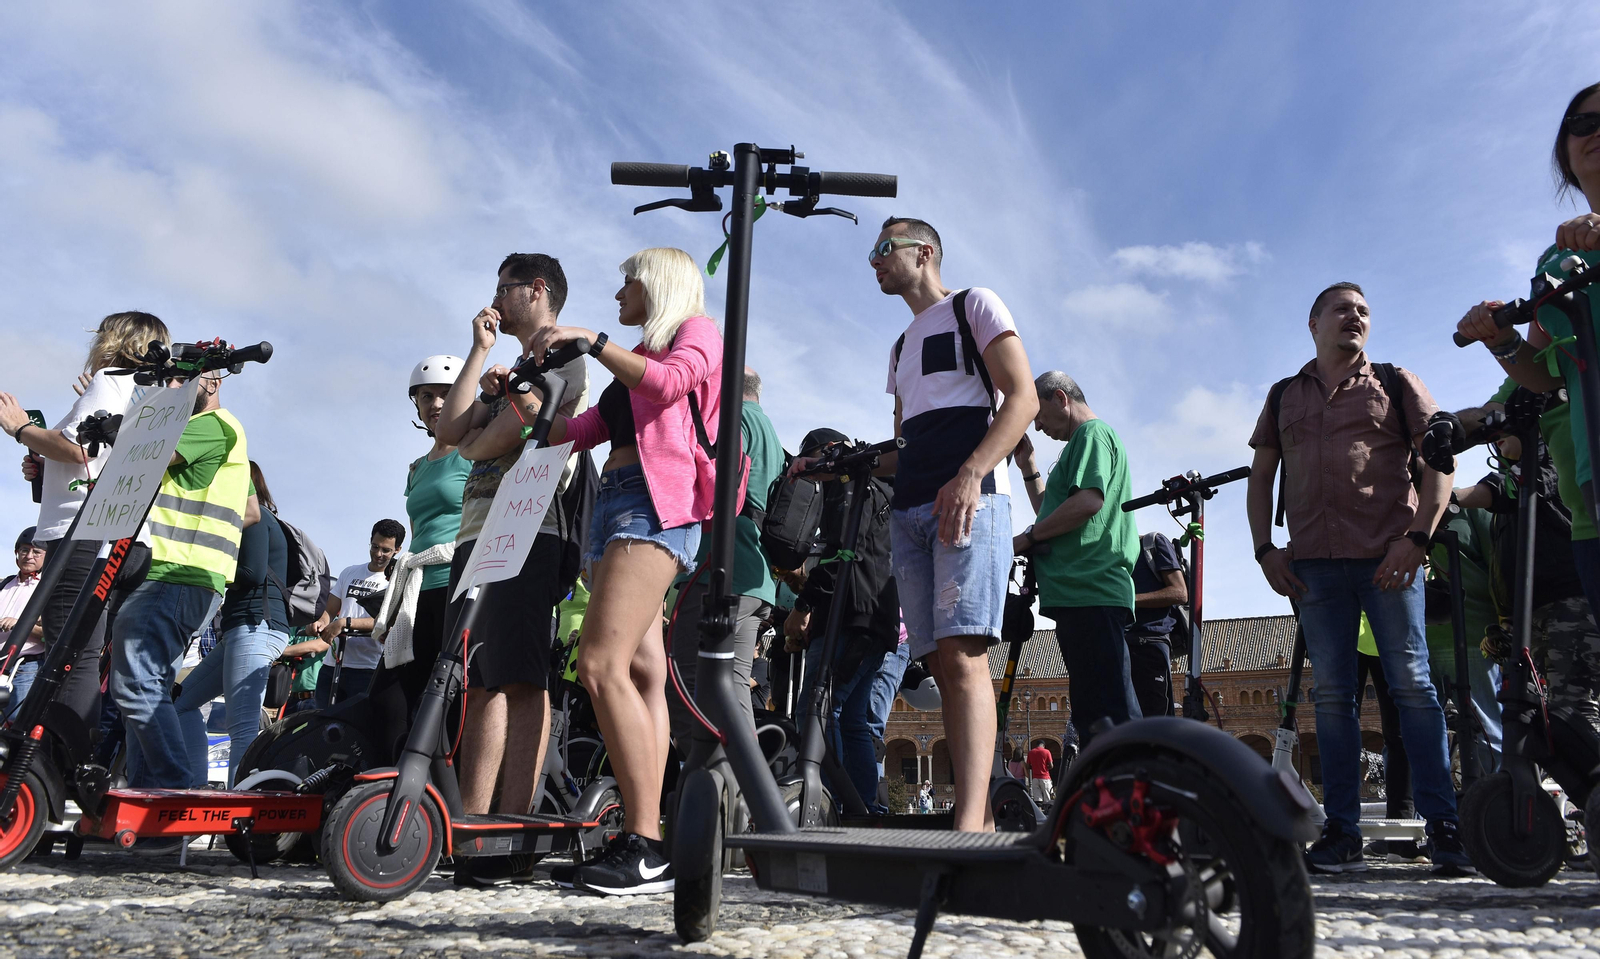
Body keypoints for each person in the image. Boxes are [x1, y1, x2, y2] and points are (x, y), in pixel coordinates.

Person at [1247, 281, 1470, 875]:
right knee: (1333, 697)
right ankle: (1341, 830)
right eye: (1344, 309)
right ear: (1314, 321)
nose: (1357, 318)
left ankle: (1444, 826)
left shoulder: (1396, 382)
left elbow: (1438, 462)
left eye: (1365, 311)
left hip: (1388, 560)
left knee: (1414, 687)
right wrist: (1265, 548)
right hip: (1314, 565)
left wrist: (1418, 537)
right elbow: (1261, 475)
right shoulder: (1281, 395)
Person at [529, 246, 728, 894]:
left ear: (657, 285)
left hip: (655, 507)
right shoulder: (634, 361)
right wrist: (525, 404)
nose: (618, 296)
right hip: (617, 506)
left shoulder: (695, 335)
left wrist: (593, 340)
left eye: (627, 284)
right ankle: (646, 837)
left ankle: (645, 841)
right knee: (640, 671)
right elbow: (580, 430)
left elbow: (670, 385)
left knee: (598, 665)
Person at [867, 216, 1038, 833]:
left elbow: (1022, 397)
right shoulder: (899, 347)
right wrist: (835, 467)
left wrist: (969, 476)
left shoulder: (974, 305)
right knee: (939, 664)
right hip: (910, 510)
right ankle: (976, 817)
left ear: (925, 252)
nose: (874, 260)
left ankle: (972, 821)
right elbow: (902, 442)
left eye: (885, 248)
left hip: (970, 501)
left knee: (965, 658)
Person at [435, 253, 589, 878]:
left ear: (536, 290)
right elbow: (451, 428)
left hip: (531, 524)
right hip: (478, 532)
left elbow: (494, 439)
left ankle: (515, 825)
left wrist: (492, 420)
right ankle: (472, 826)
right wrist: (478, 355)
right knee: (479, 676)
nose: (493, 295)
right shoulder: (512, 364)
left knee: (521, 675)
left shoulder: (565, 352)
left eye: (503, 286)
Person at [1456, 82, 1600, 617]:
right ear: (1565, 153)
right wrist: (1502, 340)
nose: (1596, 131)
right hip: (1589, 491)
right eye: (1582, 125)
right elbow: (1544, 378)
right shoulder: (1556, 264)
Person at [1, 312, 170, 733]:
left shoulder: (110, 381)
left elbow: (77, 450)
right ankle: (71, 762)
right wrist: (46, 467)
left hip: (82, 537)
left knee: (69, 658)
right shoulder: (150, 394)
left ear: (114, 340)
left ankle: (62, 767)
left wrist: (20, 428)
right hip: (127, 538)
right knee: (84, 657)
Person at [110, 368, 251, 797]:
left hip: (178, 573)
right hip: (182, 574)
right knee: (149, 687)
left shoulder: (210, 426)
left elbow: (149, 453)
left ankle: (169, 795)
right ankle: (146, 799)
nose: (170, 390)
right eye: (166, 381)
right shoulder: (213, 430)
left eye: (179, 381)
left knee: (134, 684)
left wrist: (122, 414)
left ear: (212, 382)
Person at [1013, 372, 1142, 741]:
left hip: (1091, 589)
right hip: (1080, 594)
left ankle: (1129, 793)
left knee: (1108, 717)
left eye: (1038, 416)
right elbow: (1054, 513)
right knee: (1095, 714)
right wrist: (1029, 469)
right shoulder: (1081, 444)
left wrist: (1026, 539)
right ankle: (1113, 793)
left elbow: (1087, 502)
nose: (1037, 427)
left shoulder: (1091, 434)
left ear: (1060, 398)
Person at [786, 427, 907, 814]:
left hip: (850, 616)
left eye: (812, 462)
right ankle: (863, 809)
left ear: (828, 452)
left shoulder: (846, 485)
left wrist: (802, 605)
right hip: (879, 620)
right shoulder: (881, 486)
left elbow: (841, 555)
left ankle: (829, 805)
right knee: (853, 718)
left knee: (817, 710)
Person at [667, 367, 783, 764]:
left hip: (718, 568)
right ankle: (740, 788)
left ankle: (720, 783)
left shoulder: (731, 422)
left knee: (684, 682)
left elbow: (709, 486)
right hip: (755, 577)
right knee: (730, 686)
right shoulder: (771, 434)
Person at [367, 355, 472, 762]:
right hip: (417, 590)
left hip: (456, 584)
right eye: (426, 396)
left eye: (446, 394)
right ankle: (386, 797)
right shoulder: (415, 468)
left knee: (449, 704)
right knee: (386, 703)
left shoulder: (475, 449)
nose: (436, 404)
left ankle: (446, 801)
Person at [173, 461, 290, 786]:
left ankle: (236, 816)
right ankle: (195, 789)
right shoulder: (258, 520)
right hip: (245, 629)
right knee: (182, 704)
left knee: (242, 727)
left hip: (255, 627)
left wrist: (208, 566)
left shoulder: (256, 518)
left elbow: (251, 573)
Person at [312, 520, 403, 707]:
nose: (378, 554)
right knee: (320, 723)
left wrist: (346, 622)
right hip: (332, 664)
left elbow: (386, 621)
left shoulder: (396, 582)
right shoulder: (349, 572)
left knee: (356, 729)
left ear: (398, 550)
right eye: (375, 546)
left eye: (386, 550)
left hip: (367, 668)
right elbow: (329, 611)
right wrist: (320, 622)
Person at [1128, 530, 1187, 717]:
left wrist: (1128, 600)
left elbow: (1179, 592)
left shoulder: (1152, 542)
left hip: (1149, 644)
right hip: (1117, 645)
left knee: (1155, 723)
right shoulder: (1105, 553)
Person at [0, 528, 46, 717]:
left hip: (24, 668)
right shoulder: (5, 584)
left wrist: (21, 625)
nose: (29, 556)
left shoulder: (47, 589)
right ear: (16, 553)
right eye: (24, 550)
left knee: (15, 721)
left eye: (36, 552)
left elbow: (49, 634)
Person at [1026, 739, 1054, 804]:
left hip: (1035, 778)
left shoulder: (1031, 752)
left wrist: (1034, 767)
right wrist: (1046, 767)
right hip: (1045, 778)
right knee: (1047, 799)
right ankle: (1047, 813)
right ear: (1043, 745)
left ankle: (1039, 811)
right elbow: (1051, 765)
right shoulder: (1047, 752)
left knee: (1037, 799)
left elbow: (1028, 766)